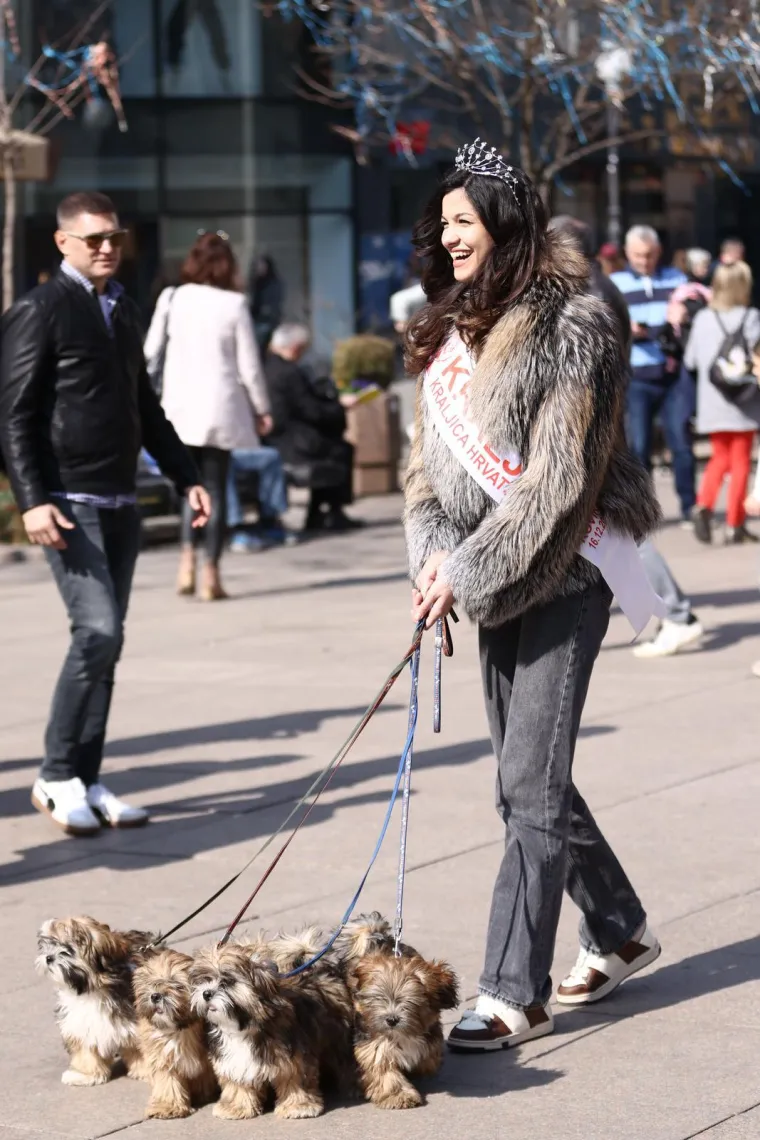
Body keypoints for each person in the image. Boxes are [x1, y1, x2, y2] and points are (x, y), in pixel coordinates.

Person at [404, 140, 662, 1052]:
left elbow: (559, 487)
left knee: (528, 784)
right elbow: (426, 476)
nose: (451, 240)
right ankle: (621, 924)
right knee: (528, 781)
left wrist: (468, 571)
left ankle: (515, 989)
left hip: (567, 572)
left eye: (464, 223)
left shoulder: (575, 322)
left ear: (504, 223)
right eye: (443, 226)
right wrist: (434, 561)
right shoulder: (451, 323)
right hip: (491, 575)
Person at [0, 191, 210, 837]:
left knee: (108, 644)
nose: (106, 249)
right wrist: (32, 498)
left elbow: (142, 404)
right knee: (96, 632)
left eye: (113, 238)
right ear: (63, 243)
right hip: (68, 502)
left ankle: (86, 779)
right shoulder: (41, 310)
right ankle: (56, 774)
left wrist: (186, 475)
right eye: (92, 240)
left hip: (121, 499)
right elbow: (13, 414)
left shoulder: (122, 307)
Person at [549, 217, 703, 658]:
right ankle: (669, 612)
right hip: (601, 429)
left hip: (593, 436)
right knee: (610, 531)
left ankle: (677, 613)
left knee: (621, 531)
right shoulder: (603, 289)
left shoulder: (589, 295)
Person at [145, 232, 273, 598]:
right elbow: (249, 366)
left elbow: (150, 350)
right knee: (214, 489)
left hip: (179, 408)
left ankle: (186, 562)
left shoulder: (173, 298)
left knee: (191, 488)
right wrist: (262, 409)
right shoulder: (233, 305)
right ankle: (210, 575)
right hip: (220, 407)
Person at [612, 225, 695, 522]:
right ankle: (643, 514)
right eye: (637, 256)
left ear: (658, 252)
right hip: (637, 378)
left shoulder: (677, 279)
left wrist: (680, 317)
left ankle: (690, 508)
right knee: (639, 448)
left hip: (672, 376)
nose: (644, 261)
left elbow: (692, 314)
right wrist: (635, 329)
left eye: (649, 255)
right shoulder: (617, 283)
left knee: (682, 445)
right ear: (627, 254)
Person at [685, 261, 760, 544]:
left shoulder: (704, 318)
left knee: (719, 456)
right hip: (744, 399)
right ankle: (734, 523)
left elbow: (691, 359)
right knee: (741, 459)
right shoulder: (751, 317)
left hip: (713, 399)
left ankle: (704, 505)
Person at [265, 323, 360, 533]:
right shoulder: (289, 372)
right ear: (296, 347)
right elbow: (311, 410)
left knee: (332, 446)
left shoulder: (268, 367)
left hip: (278, 437)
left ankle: (317, 513)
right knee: (339, 449)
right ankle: (332, 512)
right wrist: (339, 406)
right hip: (292, 442)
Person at [226, 444, 294, 552]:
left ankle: (269, 520)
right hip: (201, 449)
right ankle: (235, 526)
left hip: (232, 445)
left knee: (271, 456)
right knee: (222, 461)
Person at [248, 254, 284, 355]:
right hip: (257, 320)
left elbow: (275, 302)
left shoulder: (274, 283)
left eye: (262, 266)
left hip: (268, 320)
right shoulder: (256, 282)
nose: (260, 269)